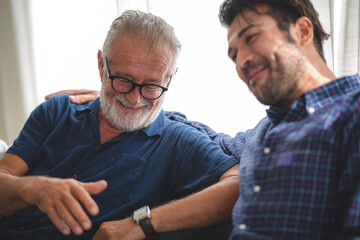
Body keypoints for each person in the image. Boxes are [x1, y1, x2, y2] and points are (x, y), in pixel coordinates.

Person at [59, 0, 360, 239]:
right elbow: (205, 135)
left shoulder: (350, 113)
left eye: (252, 37)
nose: (241, 61)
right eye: (234, 54)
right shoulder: (261, 135)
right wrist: (123, 98)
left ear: (303, 32)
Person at [0, 10, 239, 240]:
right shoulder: (57, 111)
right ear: (101, 65)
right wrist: (34, 189)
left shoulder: (178, 141)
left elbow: (240, 185)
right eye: (123, 80)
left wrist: (144, 222)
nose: (135, 100)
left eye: (152, 86)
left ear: (169, 78)